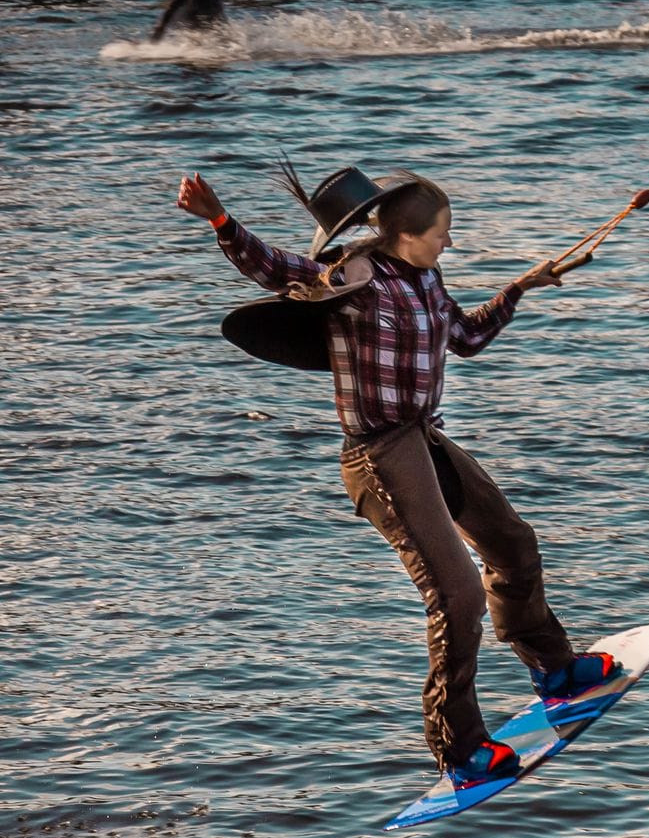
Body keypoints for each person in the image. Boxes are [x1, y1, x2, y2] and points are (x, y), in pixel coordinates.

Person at [173, 164, 620, 790]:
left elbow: (465, 337)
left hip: (423, 438)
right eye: (443, 233)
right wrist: (222, 221)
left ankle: (554, 668)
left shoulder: (428, 278)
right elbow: (278, 269)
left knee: (513, 545)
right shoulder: (354, 278)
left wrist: (524, 285)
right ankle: (459, 748)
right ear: (407, 235)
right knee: (457, 594)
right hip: (381, 456)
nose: (449, 243)